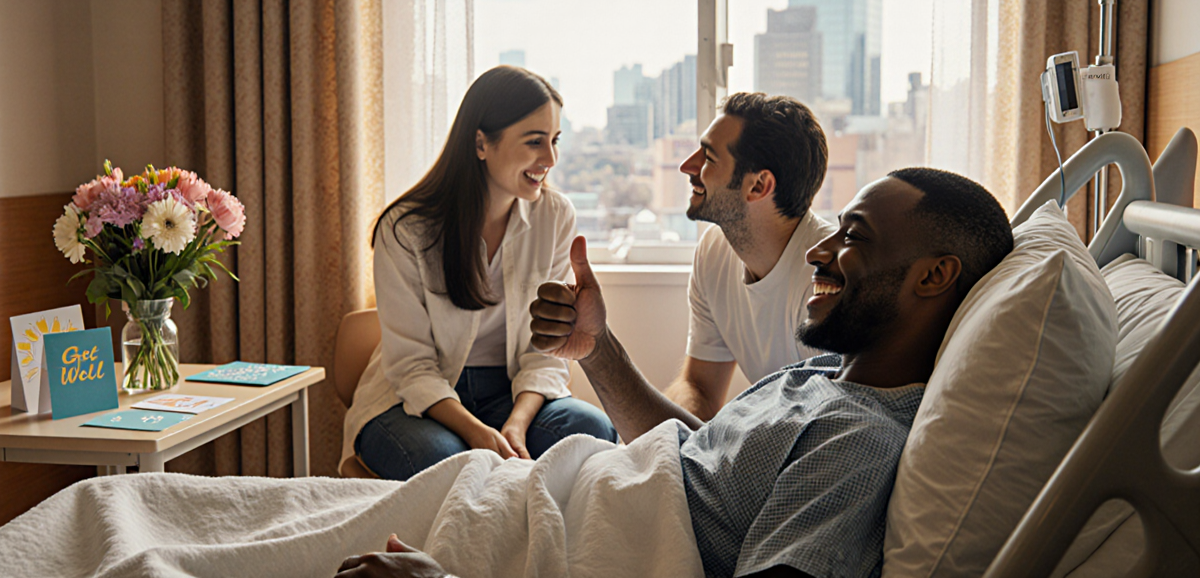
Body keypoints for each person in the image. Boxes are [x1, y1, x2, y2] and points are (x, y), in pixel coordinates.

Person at [335, 167, 1014, 577]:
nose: (821, 252)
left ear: (934, 275)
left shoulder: (858, 444)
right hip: (536, 499)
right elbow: (696, 458)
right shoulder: (821, 379)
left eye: (854, 236)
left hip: (537, 544)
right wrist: (595, 347)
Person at [341, 66, 617, 481]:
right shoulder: (405, 229)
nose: (551, 159)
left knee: (593, 432)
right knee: (453, 465)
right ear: (481, 143)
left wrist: (516, 425)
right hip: (413, 401)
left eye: (555, 140)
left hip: (511, 395)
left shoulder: (555, 216)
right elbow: (412, 368)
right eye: (534, 141)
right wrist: (477, 434)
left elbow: (545, 350)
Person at [665, 93, 835, 420]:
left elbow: (824, 425)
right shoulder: (714, 251)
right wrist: (667, 441)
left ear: (758, 185)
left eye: (709, 158)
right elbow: (699, 386)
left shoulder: (829, 279)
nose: (687, 166)